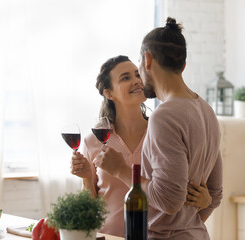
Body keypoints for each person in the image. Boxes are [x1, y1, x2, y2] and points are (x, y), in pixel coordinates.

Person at [93, 18, 223, 239]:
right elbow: (214, 194)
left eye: (138, 68)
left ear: (147, 60)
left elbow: (169, 201)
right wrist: (186, 226)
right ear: (182, 65)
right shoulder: (206, 110)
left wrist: (120, 171)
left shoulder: (164, 116)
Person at [70, 55, 212, 237]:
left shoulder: (165, 133)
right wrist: (85, 178)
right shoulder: (93, 141)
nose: (137, 81)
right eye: (126, 78)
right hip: (110, 236)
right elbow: (89, 207)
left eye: (138, 75)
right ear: (109, 93)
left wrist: (204, 200)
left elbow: (185, 190)